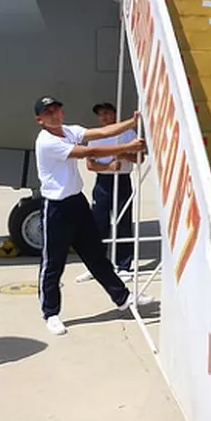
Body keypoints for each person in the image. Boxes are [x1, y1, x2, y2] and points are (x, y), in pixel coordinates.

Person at [32, 96, 155, 335]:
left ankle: (122, 298)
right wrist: (126, 147)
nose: (55, 115)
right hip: (56, 208)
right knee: (53, 263)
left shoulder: (67, 130)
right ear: (40, 120)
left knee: (96, 255)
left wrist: (131, 123)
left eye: (57, 109)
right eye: (48, 113)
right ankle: (51, 313)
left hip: (77, 202)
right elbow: (90, 151)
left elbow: (100, 133)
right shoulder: (46, 142)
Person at [75, 102, 138, 284]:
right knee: (98, 224)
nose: (104, 117)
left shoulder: (127, 134)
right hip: (103, 182)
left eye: (107, 114)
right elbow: (90, 164)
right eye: (101, 115)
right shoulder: (95, 137)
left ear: (114, 114)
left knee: (123, 222)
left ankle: (124, 265)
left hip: (122, 181)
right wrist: (108, 166)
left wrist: (124, 154)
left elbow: (139, 157)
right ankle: (95, 266)